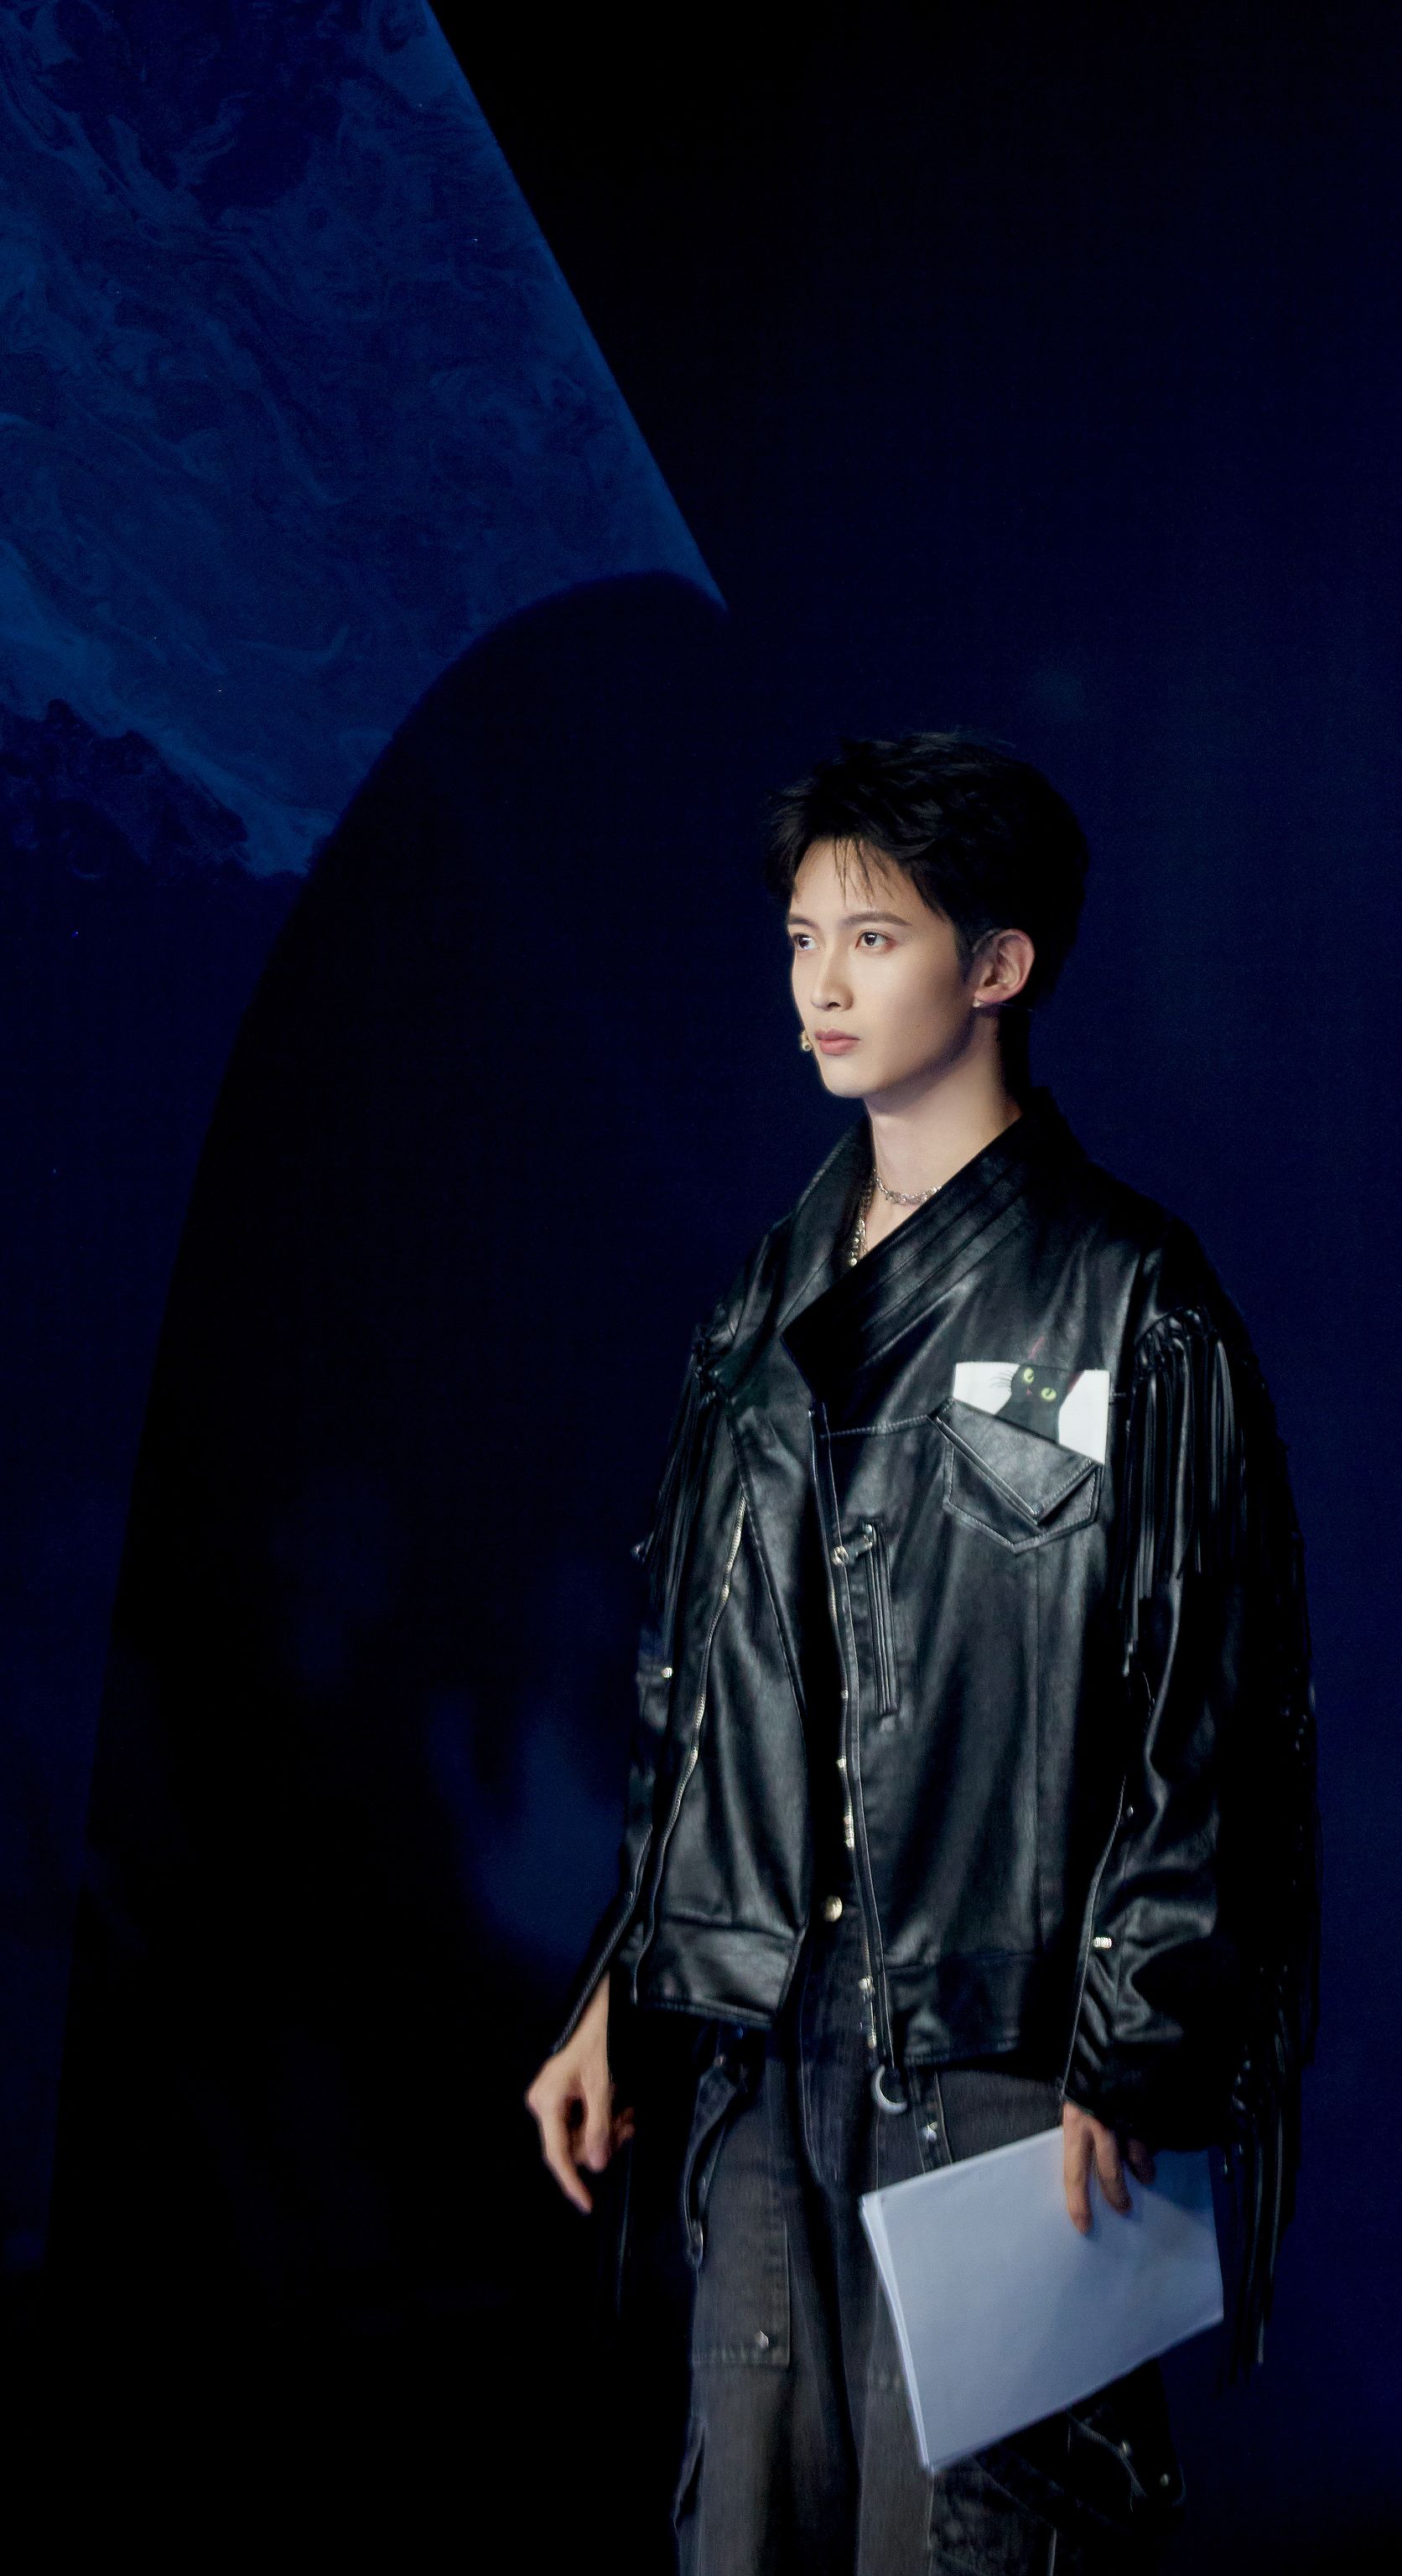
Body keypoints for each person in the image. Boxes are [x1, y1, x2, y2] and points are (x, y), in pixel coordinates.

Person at [526, 732, 1319, 2573]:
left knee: (976, 2532)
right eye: (804, 938)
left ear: (998, 963)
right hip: (765, 2036)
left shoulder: (1128, 1295)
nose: (822, 983)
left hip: (1008, 2045)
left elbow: (1201, 1698)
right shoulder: (766, 1294)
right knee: (751, 2520)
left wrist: (1134, 2046)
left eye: (873, 938)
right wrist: (626, 1976)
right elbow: (698, 1676)